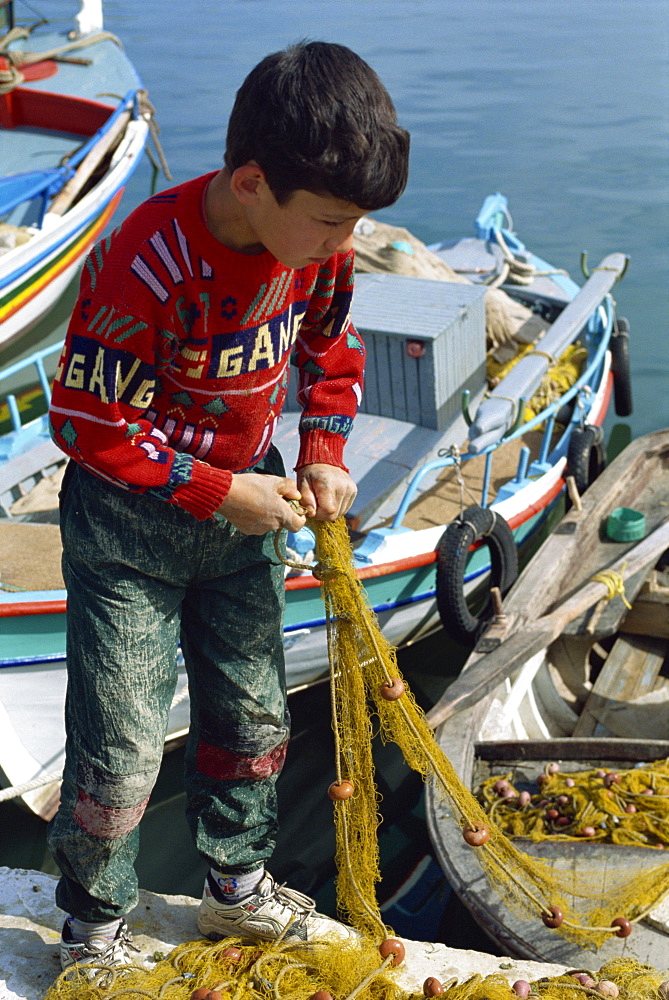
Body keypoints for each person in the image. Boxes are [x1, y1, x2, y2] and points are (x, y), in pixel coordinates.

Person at [46, 39, 410, 971]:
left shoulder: (315, 257)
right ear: (250, 182)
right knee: (123, 741)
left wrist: (324, 454)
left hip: (250, 506)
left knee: (253, 718)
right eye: (331, 223)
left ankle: (236, 888)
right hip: (131, 530)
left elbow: (329, 351)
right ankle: (93, 929)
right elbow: (88, 425)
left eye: (352, 227)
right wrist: (218, 491)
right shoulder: (149, 261)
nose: (344, 246)